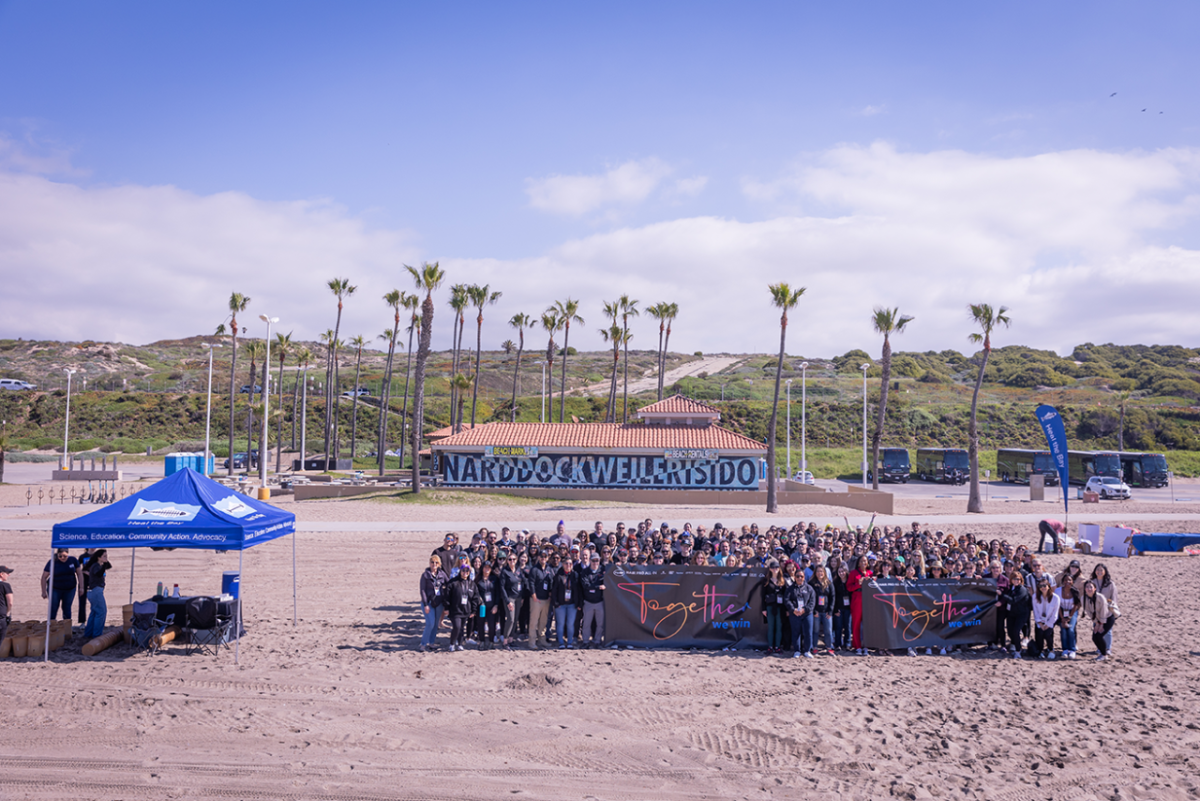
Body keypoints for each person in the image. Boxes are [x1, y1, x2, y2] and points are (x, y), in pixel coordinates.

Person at [445, 557, 481, 651]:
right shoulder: (453, 582)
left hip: (466, 610)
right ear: (460, 571)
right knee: (456, 626)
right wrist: (447, 608)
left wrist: (473, 610)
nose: (465, 572)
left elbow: (475, 598)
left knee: (461, 628)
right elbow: (447, 596)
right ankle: (452, 643)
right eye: (463, 570)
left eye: (467, 571)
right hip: (455, 610)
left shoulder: (472, 584)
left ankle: (460, 643)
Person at [41, 548, 82, 621]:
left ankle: (67, 628)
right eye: (60, 556)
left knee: (67, 608)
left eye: (65, 556)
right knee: (53, 607)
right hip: (55, 588)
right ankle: (51, 627)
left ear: (68, 554)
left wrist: (81, 587)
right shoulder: (53, 562)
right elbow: (44, 577)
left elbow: (79, 574)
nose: (62, 558)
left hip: (70, 588)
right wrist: (43, 591)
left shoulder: (73, 560)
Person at [1002, 564, 1032, 659]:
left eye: (1018, 579)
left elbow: (1013, 600)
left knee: (1016, 631)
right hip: (1012, 613)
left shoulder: (1022, 589)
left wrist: (1001, 594)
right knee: (1010, 632)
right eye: (1014, 579)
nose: (1016, 581)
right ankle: (1015, 645)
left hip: (1022, 613)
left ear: (1021, 580)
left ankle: (1018, 651)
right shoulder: (1011, 588)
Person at [82, 549, 112, 642]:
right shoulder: (95, 566)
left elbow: (110, 566)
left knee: (94, 612)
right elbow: (99, 574)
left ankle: (89, 633)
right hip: (95, 590)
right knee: (101, 612)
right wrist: (103, 565)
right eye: (104, 556)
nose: (106, 558)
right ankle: (97, 634)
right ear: (98, 557)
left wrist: (105, 561)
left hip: (94, 591)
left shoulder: (99, 565)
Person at [1081, 578, 1114, 661]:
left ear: (1095, 588)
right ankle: (1102, 653)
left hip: (1108, 618)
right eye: (1087, 587)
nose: (1089, 589)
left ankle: (1104, 654)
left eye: (1091, 587)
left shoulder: (1100, 597)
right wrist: (1096, 622)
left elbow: (1104, 611)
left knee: (1099, 635)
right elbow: (1089, 612)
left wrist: (1101, 624)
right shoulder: (1083, 598)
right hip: (1098, 619)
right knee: (1094, 637)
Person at [785, 570, 816, 659]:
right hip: (794, 614)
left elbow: (812, 602)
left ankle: (807, 651)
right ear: (794, 577)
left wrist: (804, 610)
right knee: (796, 633)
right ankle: (797, 651)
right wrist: (793, 609)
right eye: (797, 576)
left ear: (804, 577)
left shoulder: (809, 588)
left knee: (808, 633)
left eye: (801, 576)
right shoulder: (790, 589)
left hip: (807, 614)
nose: (799, 578)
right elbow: (786, 600)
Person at [419, 556, 447, 652]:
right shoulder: (425, 575)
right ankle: (423, 644)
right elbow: (422, 590)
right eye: (432, 562)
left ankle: (431, 642)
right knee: (430, 623)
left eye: (436, 562)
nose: (434, 564)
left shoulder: (442, 574)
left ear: (439, 564)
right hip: (428, 603)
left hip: (439, 603)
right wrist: (426, 604)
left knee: (435, 624)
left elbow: (449, 584)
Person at [527, 550, 554, 650]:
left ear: (547, 558)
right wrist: (534, 596)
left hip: (546, 600)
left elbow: (551, 583)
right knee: (533, 622)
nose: (543, 558)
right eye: (541, 556)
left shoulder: (549, 569)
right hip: (536, 600)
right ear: (538, 557)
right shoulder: (534, 569)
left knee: (543, 622)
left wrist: (550, 596)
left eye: (545, 556)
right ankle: (532, 642)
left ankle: (542, 640)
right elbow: (531, 583)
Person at [551, 557, 580, 649]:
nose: (568, 565)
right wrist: (555, 603)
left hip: (572, 604)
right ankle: (561, 642)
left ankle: (570, 642)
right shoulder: (558, 575)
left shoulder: (575, 575)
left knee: (570, 624)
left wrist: (579, 603)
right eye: (566, 563)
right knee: (560, 624)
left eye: (570, 564)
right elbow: (554, 591)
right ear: (563, 564)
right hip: (561, 605)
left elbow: (579, 591)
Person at [847, 555, 872, 656]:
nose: (863, 563)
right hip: (857, 598)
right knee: (856, 624)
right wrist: (858, 584)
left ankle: (866, 646)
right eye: (861, 561)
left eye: (865, 561)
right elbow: (849, 587)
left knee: (867, 625)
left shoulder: (870, 573)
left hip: (868, 600)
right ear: (858, 562)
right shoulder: (853, 573)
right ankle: (857, 646)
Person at [1029, 576, 1060, 659]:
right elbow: (1035, 612)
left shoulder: (1055, 598)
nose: (1043, 587)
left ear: (1049, 586)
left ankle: (1051, 650)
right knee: (1039, 633)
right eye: (1040, 586)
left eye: (1045, 585)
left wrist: (1048, 624)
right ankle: (1041, 651)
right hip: (1039, 621)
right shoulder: (1035, 596)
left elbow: (1055, 614)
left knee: (1048, 634)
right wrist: (1040, 623)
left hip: (1050, 621)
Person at [579, 554, 605, 648]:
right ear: (590, 561)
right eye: (593, 560)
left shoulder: (602, 571)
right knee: (586, 623)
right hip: (588, 602)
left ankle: (597, 641)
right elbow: (586, 586)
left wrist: (593, 588)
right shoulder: (585, 572)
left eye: (597, 561)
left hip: (600, 602)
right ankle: (585, 641)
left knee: (600, 623)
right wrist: (598, 587)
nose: (595, 563)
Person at [499, 553, 524, 650]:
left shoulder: (518, 571)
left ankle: (511, 640)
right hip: (510, 598)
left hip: (518, 598)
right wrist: (508, 601)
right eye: (510, 559)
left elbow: (521, 584)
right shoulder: (505, 571)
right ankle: (505, 641)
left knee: (515, 619)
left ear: (516, 560)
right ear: (507, 560)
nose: (512, 561)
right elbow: (502, 588)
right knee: (510, 619)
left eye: (514, 559)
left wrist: (522, 597)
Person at [809, 565, 835, 656]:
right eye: (818, 571)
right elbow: (810, 598)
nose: (820, 573)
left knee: (828, 630)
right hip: (816, 611)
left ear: (824, 573)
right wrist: (814, 610)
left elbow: (832, 597)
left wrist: (831, 610)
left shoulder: (829, 583)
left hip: (827, 611)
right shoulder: (811, 583)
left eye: (821, 571)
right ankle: (815, 647)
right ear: (815, 573)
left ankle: (829, 647)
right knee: (815, 631)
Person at [762, 562, 786, 654]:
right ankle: (770, 647)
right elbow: (762, 596)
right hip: (769, 607)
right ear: (770, 569)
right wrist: (763, 609)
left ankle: (777, 646)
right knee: (771, 627)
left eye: (776, 567)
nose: (775, 569)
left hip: (780, 607)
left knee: (779, 627)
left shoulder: (782, 581)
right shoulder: (766, 580)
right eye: (772, 567)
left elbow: (785, 595)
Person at [1055, 573, 1080, 660]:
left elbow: (1075, 606)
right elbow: (1057, 605)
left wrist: (1069, 617)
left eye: (1069, 580)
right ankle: (1065, 649)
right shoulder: (1058, 591)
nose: (1067, 582)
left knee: (1070, 629)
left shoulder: (1075, 592)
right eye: (1065, 580)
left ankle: (1072, 650)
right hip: (1061, 611)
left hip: (1072, 612)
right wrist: (1062, 618)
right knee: (1063, 629)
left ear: (1072, 582)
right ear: (1063, 581)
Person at [833, 564, 851, 651]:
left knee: (848, 626)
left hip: (848, 608)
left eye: (843, 571)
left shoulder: (850, 581)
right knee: (838, 627)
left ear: (846, 572)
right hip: (839, 608)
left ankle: (847, 643)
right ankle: (838, 644)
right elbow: (833, 597)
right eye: (839, 572)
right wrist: (835, 609)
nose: (841, 573)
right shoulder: (835, 582)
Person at [0, 565, 13, 646]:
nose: (9, 575)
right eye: (7, 573)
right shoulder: (5, 586)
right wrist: (7, 612)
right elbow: (10, 602)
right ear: (1, 574)